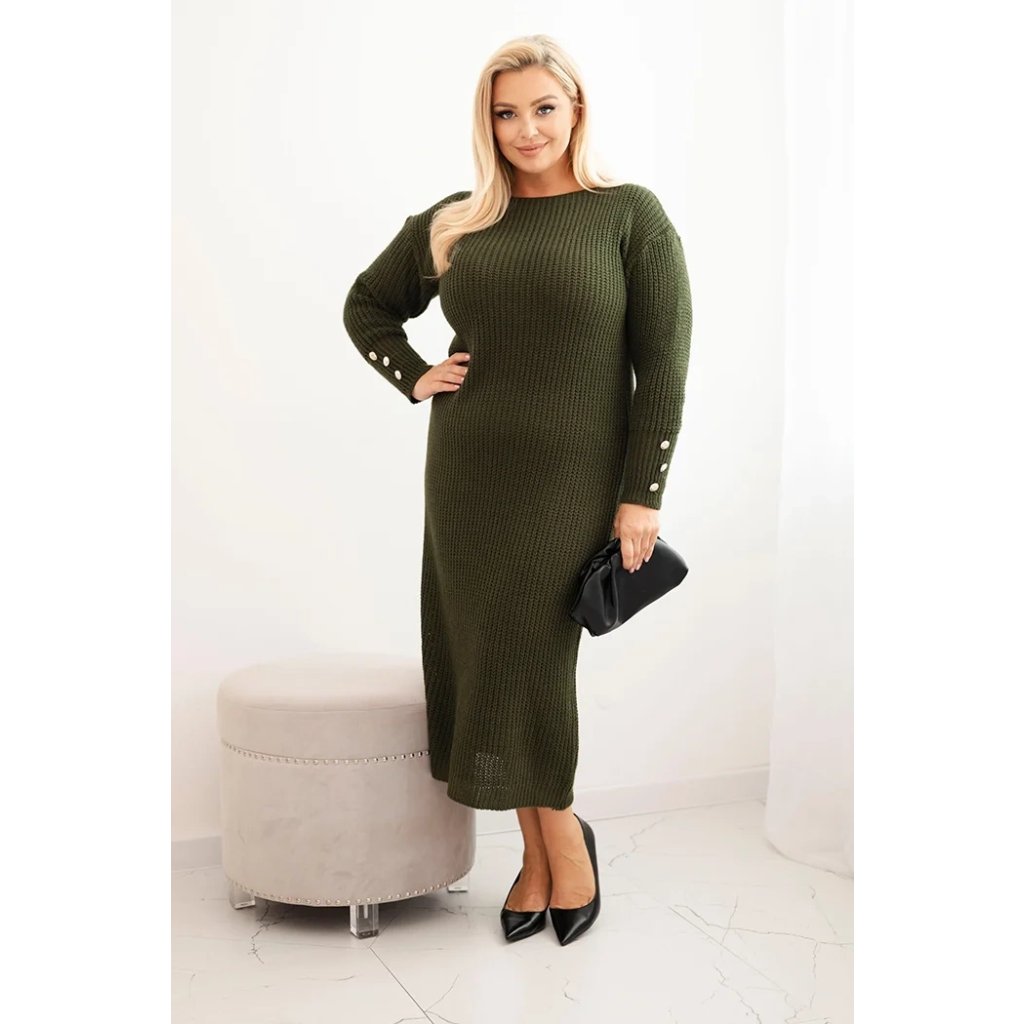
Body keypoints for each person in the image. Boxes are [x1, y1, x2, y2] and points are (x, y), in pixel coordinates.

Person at [343, 34, 692, 946]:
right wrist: (415, 375)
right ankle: (539, 856)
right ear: (486, 122)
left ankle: (563, 842)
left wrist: (642, 494)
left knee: (533, 657)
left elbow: (662, 367)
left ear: (575, 110)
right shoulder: (457, 221)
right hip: (470, 476)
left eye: (543, 107)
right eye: (506, 112)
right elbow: (366, 304)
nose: (526, 128)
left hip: (573, 481)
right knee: (487, 656)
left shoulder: (629, 217)